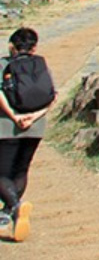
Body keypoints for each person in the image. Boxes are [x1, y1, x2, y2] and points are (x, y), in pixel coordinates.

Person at [0, 27, 49, 243]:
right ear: (34, 47)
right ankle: (8, 213)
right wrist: (33, 117)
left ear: (12, 46)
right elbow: (51, 96)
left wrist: (14, 116)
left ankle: (15, 207)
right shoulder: (40, 64)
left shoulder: (3, 63)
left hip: (6, 126)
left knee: (2, 173)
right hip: (35, 127)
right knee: (20, 169)